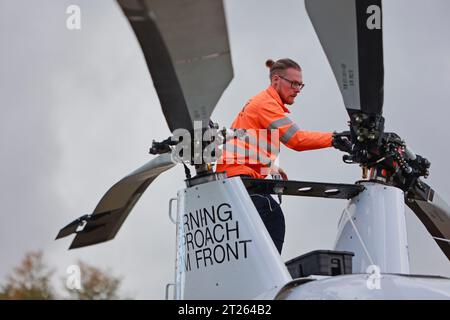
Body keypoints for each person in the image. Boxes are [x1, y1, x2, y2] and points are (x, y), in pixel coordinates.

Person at [216, 58, 350, 253]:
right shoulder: (265, 104)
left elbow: (246, 141)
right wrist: (334, 139)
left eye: (300, 85)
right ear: (276, 80)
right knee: (272, 215)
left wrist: (271, 167)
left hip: (237, 177)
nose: (297, 89)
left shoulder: (262, 103)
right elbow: (296, 139)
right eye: (294, 83)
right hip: (240, 180)